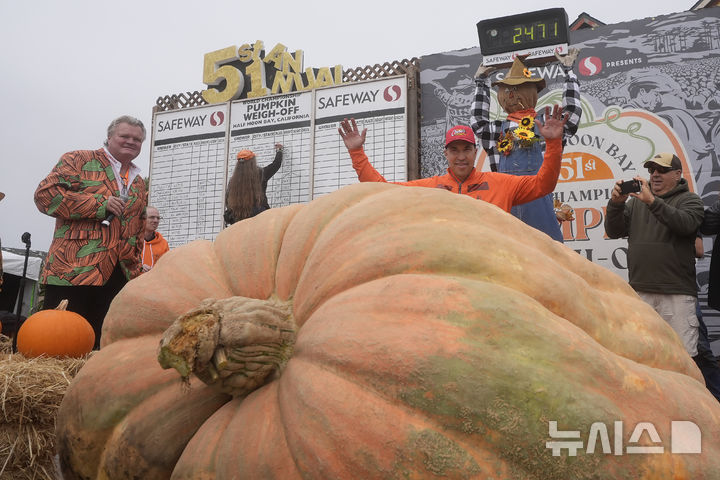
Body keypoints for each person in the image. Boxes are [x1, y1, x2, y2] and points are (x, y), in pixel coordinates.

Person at [604, 153, 716, 390]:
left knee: (683, 359)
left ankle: (691, 411)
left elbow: (685, 224)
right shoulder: (636, 202)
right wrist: (615, 204)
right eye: (652, 169)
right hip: (641, 294)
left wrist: (652, 203)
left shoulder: (690, 200)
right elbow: (614, 231)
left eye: (662, 170)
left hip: (676, 294)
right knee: (645, 356)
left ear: (677, 174)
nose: (655, 174)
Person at [34, 115, 147, 349]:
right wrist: (99, 204)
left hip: (120, 274)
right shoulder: (78, 159)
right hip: (74, 268)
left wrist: (136, 268)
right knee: (60, 343)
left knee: (101, 346)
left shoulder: (138, 182)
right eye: (124, 136)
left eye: (137, 139)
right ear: (109, 137)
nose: (131, 141)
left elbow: (138, 227)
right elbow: (45, 197)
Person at [338, 107, 568, 213]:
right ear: (445, 154)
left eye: (466, 150)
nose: (460, 157)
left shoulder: (502, 184)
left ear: (475, 152)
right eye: (454, 150)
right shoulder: (429, 188)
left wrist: (553, 144)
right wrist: (357, 153)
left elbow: (543, 184)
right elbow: (382, 191)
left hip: (494, 274)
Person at [470, 51, 582, 242]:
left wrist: (569, 72)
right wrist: (480, 83)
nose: (511, 95)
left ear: (530, 93)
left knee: (547, 261)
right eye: (506, 90)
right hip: (506, 210)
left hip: (540, 209)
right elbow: (478, 120)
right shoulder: (496, 131)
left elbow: (571, 116)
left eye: (517, 89)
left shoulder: (546, 124)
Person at [224, 143, 283, 226]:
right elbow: (276, 165)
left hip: (238, 219)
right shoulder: (260, 174)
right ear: (252, 162)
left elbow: (227, 201)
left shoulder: (233, 181)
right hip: (258, 218)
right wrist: (279, 150)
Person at [141, 206, 169, 272]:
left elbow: (166, 267)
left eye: (158, 218)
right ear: (143, 220)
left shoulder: (163, 244)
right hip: (133, 281)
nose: (156, 221)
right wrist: (139, 267)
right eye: (152, 217)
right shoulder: (131, 240)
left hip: (154, 281)